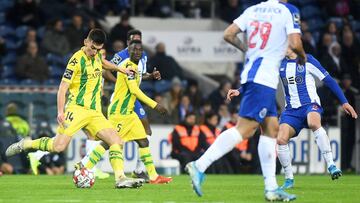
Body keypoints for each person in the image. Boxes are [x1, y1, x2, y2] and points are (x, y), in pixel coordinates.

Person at [185, 0, 307, 201]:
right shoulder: (288, 10)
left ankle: (271, 188)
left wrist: (248, 51)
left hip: (254, 75)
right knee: (245, 130)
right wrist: (301, 56)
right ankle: (199, 165)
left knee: (271, 128)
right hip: (263, 79)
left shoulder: (252, 10)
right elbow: (295, 43)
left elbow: (228, 34)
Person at [5, 29, 143, 188]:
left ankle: (120, 178)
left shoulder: (97, 55)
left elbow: (104, 63)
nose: (95, 52)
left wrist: (122, 70)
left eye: (99, 49)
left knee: (116, 141)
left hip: (94, 112)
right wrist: (60, 112)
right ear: (86, 42)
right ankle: (27, 144)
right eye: (93, 48)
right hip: (76, 109)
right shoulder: (76, 61)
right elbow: (62, 88)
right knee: (58, 146)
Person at [79, 40, 172, 185]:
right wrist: (155, 105)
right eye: (133, 50)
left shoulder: (134, 67)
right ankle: (85, 166)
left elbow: (138, 79)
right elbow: (134, 90)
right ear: (128, 51)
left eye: (139, 50)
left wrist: (151, 76)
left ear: (142, 52)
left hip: (129, 113)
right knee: (108, 143)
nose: (137, 52)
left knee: (143, 140)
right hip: (119, 112)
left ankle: (153, 176)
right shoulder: (128, 65)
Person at [277, 50, 358, 190]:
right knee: (280, 139)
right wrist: (240, 90)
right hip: (291, 111)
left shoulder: (307, 59)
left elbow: (329, 80)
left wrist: (344, 102)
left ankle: (331, 165)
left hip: (310, 105)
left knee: (314, 122)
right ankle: (289, 178)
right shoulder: (279, 63)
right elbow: (262, 80)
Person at [104, 29, 161, 180]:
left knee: (146, 133)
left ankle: (140, 170)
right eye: (133, 41)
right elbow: (105, 71)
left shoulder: (143, 56)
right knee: (111, 139)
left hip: (133, 99)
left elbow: (139, 76)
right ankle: (85, 165)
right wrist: (119, 83)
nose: (137, 46)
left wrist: (151, 76)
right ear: (128, 42)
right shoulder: (120, 56)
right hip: (123, 99)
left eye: (139, 41)